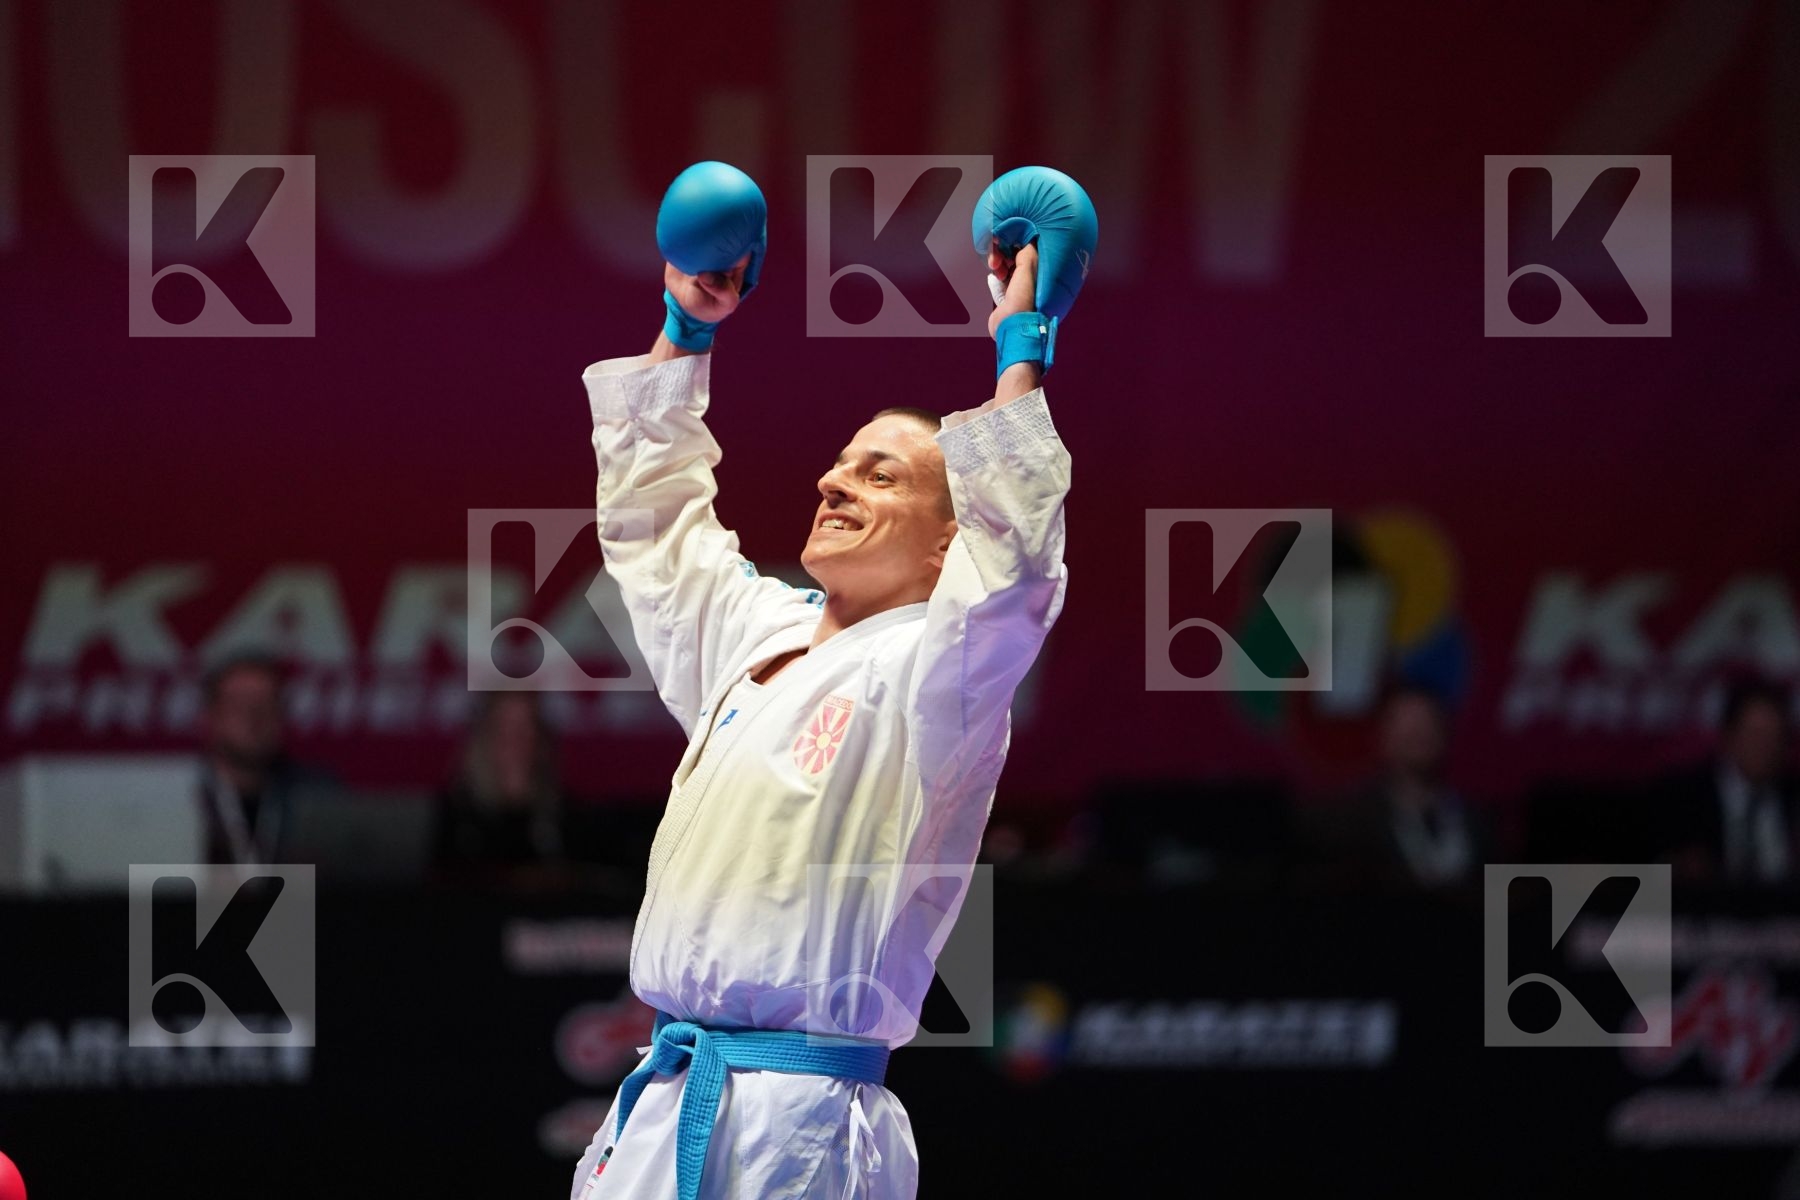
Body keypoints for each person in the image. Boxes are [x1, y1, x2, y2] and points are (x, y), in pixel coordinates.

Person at [568, 164, 1084, 1200]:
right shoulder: (754, 632)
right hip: (662, 1101)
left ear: (950, 544)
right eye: (841, 463)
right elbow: (654, 523)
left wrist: (1020, 347)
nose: (833, 480)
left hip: (800, 1130)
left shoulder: (938, 677)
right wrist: (687, 321)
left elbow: (1017, 569)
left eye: (879, 474)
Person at [1307, 683, 1490, 890]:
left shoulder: (1476, 819)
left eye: (1428, 723)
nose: (1419, 733)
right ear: (1383, 737)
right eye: (1407, 726)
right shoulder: (1349, 822)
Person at [196, 652, 336, 865]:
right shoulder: (178, 797)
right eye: (240, 705)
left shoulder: (317, 795)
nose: (254, 717)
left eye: (267, 704)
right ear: (211, 717)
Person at [1656, 678, 1797, 887]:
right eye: (1755, 735)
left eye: (1775, 737)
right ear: (1728, 736)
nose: (1765, 748)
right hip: (1705, 913)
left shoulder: (1793, 798)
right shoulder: (1683, 797)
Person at [432, 691, 567, 876]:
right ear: (483, 737)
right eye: (504, 727)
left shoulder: (561, 815)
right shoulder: (457, 817)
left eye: (526, 726)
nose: (515, 741)